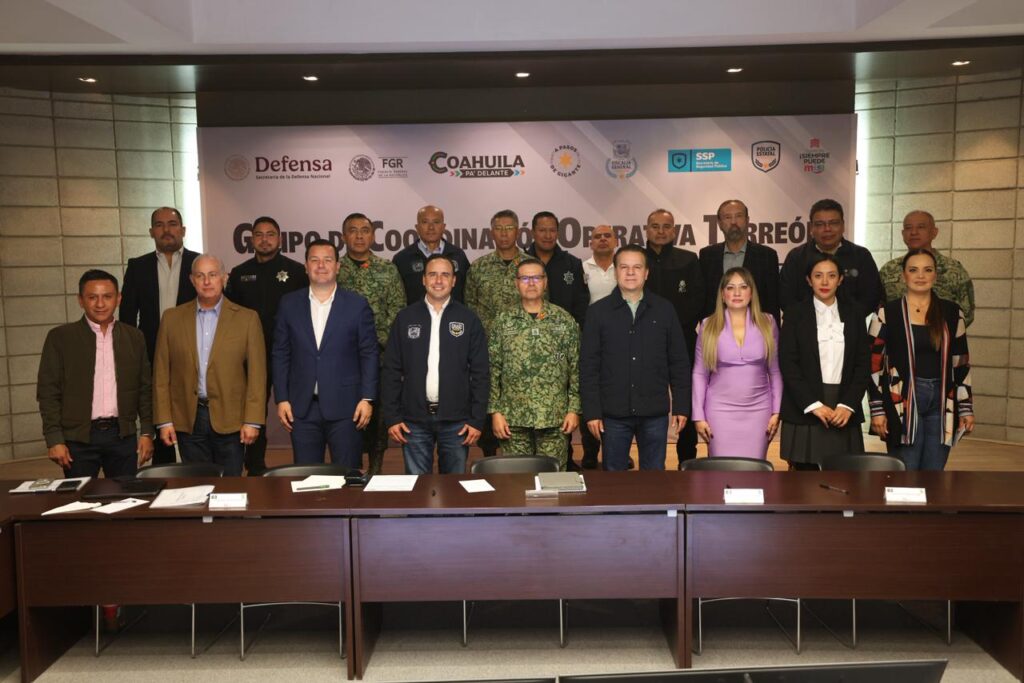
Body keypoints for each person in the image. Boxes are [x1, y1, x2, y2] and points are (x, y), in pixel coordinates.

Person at [153, 255, 266, 476]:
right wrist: (164, 420)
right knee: (197, 486)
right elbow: (161, 374)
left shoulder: (247, 319)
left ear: (224, 278)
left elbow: (257, 375)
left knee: (230, 487)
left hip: (231, 420)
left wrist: (253, 420)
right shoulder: (171, 319)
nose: (207, 281)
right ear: (192, 280)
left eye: (213, 275)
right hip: (188, 418)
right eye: (200, 275)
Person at [580, 245, 690, 471]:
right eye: (624, 267)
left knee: (654, 479)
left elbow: (678, 362)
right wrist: (592, 412)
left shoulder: (664, 310)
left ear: (646, 273)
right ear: (615, 272)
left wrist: (681, 406)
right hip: (613, 414)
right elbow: (589, 367)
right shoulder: (597, 312)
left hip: (654, 412)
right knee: (614, 481)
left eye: (637, 267)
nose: (630, 273)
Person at [37, 270, 154, 478]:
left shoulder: (134, 337)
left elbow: (145, 389)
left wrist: (146, 432)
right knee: (80, 497)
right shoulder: (60, 338)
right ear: (80, 300)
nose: (100, 304)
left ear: (118, 299)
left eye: (107, 296)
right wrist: (54, 439)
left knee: (125, 495)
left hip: (122, 436)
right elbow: (48, 392)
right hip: (78, 439)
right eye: (92, 297)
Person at [273, 239, 378, 467]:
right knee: (307, 478)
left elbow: (369, 354)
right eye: (315, 260)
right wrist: (281, 398)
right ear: (306, 266)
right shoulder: (289, 304)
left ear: (338, 266)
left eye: (328, 260)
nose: (321, 265)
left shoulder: (357, 305)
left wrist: (367, 398)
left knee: (349, 475)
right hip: (302, 408)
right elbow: (280, 353)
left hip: (347, 408)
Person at [868, 248, 975, 470]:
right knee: (905, 474)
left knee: (934, 473)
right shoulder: (886, 313)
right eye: (913, 270)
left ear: (935, 275)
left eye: (927, 270)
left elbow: (961, 363)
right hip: (902, 400)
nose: (920, 276)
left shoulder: (952, 313)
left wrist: (965, 408)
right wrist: (877, 409)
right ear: (903, 275)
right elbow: (873, 364)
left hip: (943, 401)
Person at [383, 254, 489, 474]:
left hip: (457, 421)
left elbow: (481, 373)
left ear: (454, 281)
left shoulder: (468, 319)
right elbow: (391, 370)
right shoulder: (405, 318)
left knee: (453, 487)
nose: (438, 280)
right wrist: (392, 417)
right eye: (432, 274)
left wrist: (477, 419)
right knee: (417, 486)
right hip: (413, 420)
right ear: (423, 279)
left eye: (445, 275)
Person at [226, 215, 308, 475]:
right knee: (254, 411)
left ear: (279, 239)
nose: (264, 239)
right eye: (259, 235)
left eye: (270, 234)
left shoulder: (297, 272)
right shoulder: (239, 273)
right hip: (250, 356)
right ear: (251, 240)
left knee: (296, 409)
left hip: (290, 354)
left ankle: (304, 464)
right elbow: (229, 316)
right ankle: (255, 465)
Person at [119, 206, 198, 464]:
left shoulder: (199, 264)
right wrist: (134, 354)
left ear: (183, 230)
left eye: (172, 224)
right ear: (151, 231)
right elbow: (127, 316)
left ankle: (196, 466)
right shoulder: (138, 266)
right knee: (158, 410)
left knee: (192, 412)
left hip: (193, 351)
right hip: (152, 352)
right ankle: (164, 469)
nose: (166, 230)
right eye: (160, 225)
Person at [779, 255, 871, 471]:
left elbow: (863, 364)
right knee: (804, 480)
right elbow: (788, 364)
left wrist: (847, 405)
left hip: (843, 408)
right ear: (809, 280)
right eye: (818, 276)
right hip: (805, 407)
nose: (825, 282)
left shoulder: (855, 313)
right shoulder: (794, 314)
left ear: (840, 280)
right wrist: (813, 405)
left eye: (831, 276)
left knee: (845, 479)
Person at [489, 259, 580, 469]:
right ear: (516, 283)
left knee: (552, 481)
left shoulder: (563, 320)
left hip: (554, 418)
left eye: (536, 278)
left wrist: (574, 409)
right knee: (516, 482)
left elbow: (576, 368)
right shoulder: (503, 321)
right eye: (525, 278)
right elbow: (492, 369)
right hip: (513, 419)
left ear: (545, 282)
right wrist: (495, 412)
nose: (531, 283)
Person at [336, 212, 406, 475]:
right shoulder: (335, 269)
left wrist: (374, 342)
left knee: (377, 418)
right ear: (343, 236)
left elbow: (397, 312)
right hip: (341, 359)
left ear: (373, 235)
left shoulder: (387, 269)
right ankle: (350, 471)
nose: (359, 236)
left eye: (365, 230)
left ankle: (376, 470)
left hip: (379, 356)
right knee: (346, 417)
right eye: (353, 230)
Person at [692, 268, 782, 459]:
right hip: (719, 412)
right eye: (731, 288)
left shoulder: (768, 322)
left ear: (752, 292)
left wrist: (776, 411)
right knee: (722, 468)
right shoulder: (708, 325)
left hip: (759, 411)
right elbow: (700, 373)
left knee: (754, 467)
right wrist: (698, 415)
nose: (737, 293)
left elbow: (775, 371)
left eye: (743, 287)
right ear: (722, 294)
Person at [526, 210, 589, 471]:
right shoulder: (522, 261)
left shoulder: (572, 264)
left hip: (562, 346)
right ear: (533, 232)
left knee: (562, 403)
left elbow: (581, 304)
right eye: (542, 230)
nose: (547, 235)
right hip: (526, 346)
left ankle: (564, 457)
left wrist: (575, 337)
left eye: (552, 230)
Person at [465, 209, 530, 457]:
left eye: (509, 228)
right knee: (487, 399)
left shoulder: (530, 266)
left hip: (522, 350)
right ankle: (489, 457)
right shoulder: (478, 267)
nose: (504, 233)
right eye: (499, 228)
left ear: (518, 231)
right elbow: (470, 308)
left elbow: (541, 304)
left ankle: (521, 457)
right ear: (491, 232)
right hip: (486, 350)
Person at [643, 208, 703, 465]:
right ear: (646, 229)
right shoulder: (637, 260)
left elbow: (698, 300)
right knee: (647, 401)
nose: (660, 231)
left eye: (666, 226)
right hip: (644, 343)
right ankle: (651, 462)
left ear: (675, 230)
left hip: (682, 340)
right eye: (655, 226)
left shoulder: (688, 260)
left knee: (684, 401)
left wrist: (673, 330)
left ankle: (687, 460)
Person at [779, 198, 882, 313]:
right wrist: (812, 319)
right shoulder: (796, 257)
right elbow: (785, 298)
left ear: (843, 226)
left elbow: (871, 297)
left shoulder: (861, 256)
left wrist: (847, 318)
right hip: (804, 323)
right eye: (820, 224)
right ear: (811, 228)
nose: (827, 229)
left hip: (851, 322)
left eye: (833, 223)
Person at [879, 210, 975, 327]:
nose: (914, 232)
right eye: (908, 228)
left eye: (921, 227)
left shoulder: (953, 269)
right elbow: (879, 308)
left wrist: (940, 331)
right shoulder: (889, 269)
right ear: (903, 234)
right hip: (898, 335)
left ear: (934, 232)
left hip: (940, 334)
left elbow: (966, 312)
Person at [699, 199, 780, 320]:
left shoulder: (767, 256)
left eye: (738, 216)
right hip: (716, 328)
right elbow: (702, 301)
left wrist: (772, 332)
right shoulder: (707, 256)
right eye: (727, 217)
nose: (733, 222)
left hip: (756, 328)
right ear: (719, 223)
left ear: (747, 220)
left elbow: (772, 303)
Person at [579, 224, 617, 469]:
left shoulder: (623, 268)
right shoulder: (582, 268)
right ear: (590, 242)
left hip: (620, 339)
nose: (602, 239)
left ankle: (616, 449)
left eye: (607, 236)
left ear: (615, 241)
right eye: (597, 237)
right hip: (591, 338)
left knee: (615, 394)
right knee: (590, 393)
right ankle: (590, 451)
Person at [392, 204, 470, 304]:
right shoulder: (402, 259)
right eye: (425, 222)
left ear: (443, 227)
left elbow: (468, 294)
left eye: (436, 222)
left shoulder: (458, 256)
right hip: (415, 314)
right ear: (417, 227)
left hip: (453, 313)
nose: (431, 227)